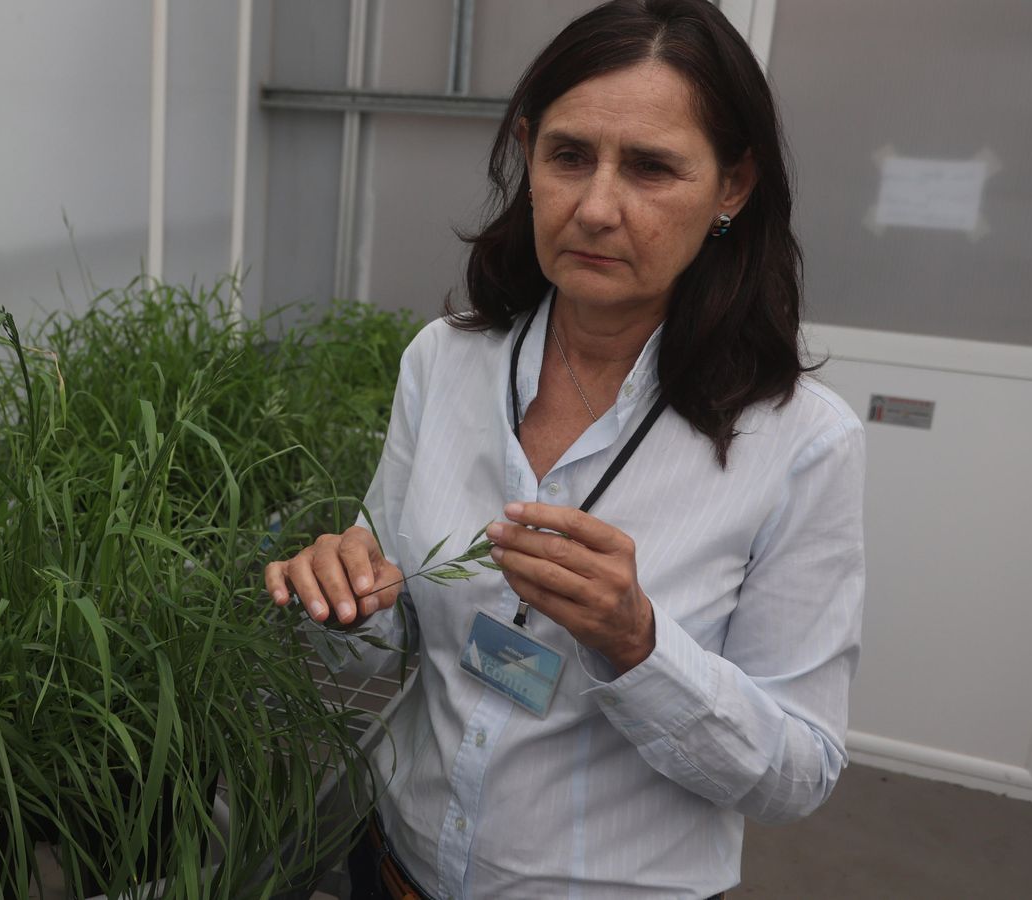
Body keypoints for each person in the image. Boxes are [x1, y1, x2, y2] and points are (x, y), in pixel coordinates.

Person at [263, 1, 866, 897]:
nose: (596, 208)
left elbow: (799, 773)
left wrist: (640, 645)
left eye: (652, 168)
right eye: (570, 155)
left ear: (732, 187)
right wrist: (350, 596)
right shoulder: (448, 362)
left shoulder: (801, 442)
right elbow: (391, 631)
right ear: (528, 153)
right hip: (393, 868)